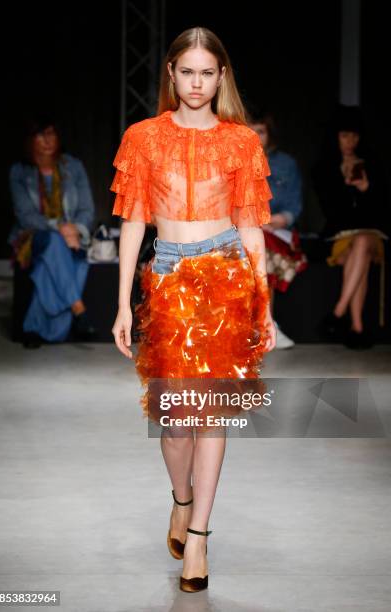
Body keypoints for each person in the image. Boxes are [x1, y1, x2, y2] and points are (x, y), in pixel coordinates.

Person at [110, 27, 276, 593]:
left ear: (221, 77)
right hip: (167, 280)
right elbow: (133, 220)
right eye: (188, 72)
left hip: (227, 276)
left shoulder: (241, 143)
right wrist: (122, 305)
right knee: (176, 423)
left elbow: (253, 229)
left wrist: (264, 307)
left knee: (212, 417)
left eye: (208, 72)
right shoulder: (143, 137)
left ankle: (199, 537)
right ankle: (181, 501)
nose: (197, 82)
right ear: (172, 75)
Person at [8, 116, 96, 347]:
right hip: (32, 237)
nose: (47, 140)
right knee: (54, 242)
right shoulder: (19, 171)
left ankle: (36, 328)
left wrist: (75, 229)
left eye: (51, 134)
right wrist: (59, 228)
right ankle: (78, 307)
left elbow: (87, 209)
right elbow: (25, 215)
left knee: (60, 260)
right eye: (40, 135)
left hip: (70, 237)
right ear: (30, 139)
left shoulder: (73, 167)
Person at [312, 105, 388, 349]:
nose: (350, 141)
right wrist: (344, 187)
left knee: (363, 242)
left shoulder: (371, 165)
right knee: (360, 255)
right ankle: (357, 328)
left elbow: (381, 209)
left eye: (354, 136)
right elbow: (330, 211)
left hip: (371, 233)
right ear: (335, 136)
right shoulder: (324, 167)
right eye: (345, 135)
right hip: (340, 235)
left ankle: (337, 312)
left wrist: (366, 189)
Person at [249, 113, 307, 349]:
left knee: (264, 249)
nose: (255, 137)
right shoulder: (235, 161)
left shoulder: (286, 164)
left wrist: (275, 220)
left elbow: (294, 206)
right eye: (250, 131)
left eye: (260, 131)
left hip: (276, 231)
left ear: (269, 134)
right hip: (245, 228)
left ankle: (265, 324)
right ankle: (260, 324)